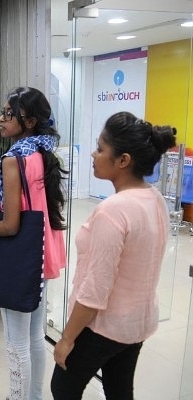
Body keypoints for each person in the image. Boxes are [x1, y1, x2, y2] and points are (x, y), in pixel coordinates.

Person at [51, 112, 176, 399]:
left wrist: (67, 338)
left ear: (123, 160)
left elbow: (96, 290)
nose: (94, 155)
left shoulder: (113, 210)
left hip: (102, 327)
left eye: (100, 148)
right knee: (119, 390)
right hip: (136, 323)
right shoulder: (154, 198)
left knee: (63, 387)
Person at [0, 87, 67, 399]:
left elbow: (10, 224)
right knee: (36, 336)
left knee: (16, 344)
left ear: (29, 121)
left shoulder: (14, 159)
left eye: (8, 114)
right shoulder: (42, 152)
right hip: (41, 254)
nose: (1, 119)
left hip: (19, 259)